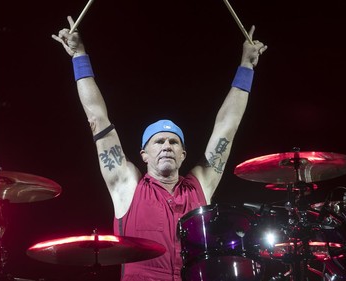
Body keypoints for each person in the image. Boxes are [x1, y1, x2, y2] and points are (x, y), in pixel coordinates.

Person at [52, 15, 267, 281]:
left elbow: (227, 127)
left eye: (174, 142)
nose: (167, 146)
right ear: (143, 155)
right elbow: (97, 119)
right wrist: (78, 56)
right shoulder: (127, 185)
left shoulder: (200, 185)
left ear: (183, 154)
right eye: (159, 141)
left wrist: (247, 66)